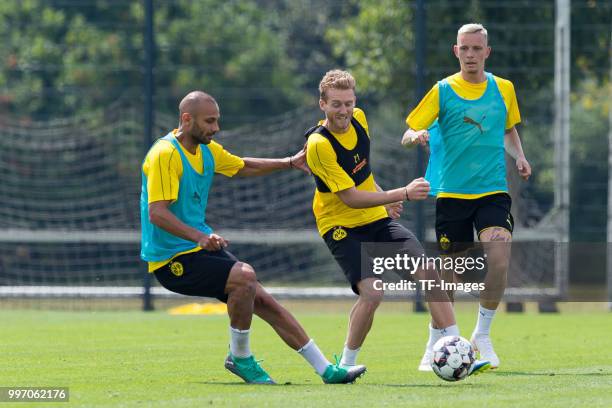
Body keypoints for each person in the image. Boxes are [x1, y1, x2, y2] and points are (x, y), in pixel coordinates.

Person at [140, 91, 366, 384]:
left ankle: (326, 370)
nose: (216, 128)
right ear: (186, 119)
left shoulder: (206, 150)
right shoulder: (165, 154)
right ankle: (240, 357)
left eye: (217, 120)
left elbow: (241, 166)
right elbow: (156, 213)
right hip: (170, 260)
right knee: (245, 277)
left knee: (262, 299)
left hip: (196, 248)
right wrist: (199, 237)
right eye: (209, 121)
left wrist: (288, 162)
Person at [304, 70, 490, 375]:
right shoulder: (319, 145)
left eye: (348, 103)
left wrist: (382, 196)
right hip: (341, 226)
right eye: (336, 104)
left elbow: (362, 175)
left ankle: (461, 352)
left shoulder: (360, 120)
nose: (344, 111)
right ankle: (346, 365)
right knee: (374, 291)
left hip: (375, 217)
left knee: (429, 274)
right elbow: (349, 197)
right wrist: (401, 193)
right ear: (322, 104)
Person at [402, 23, 532, 370]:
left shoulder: (504, 89)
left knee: (499, 256)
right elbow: (410, 129)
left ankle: (482, 335)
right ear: (455, 51)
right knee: (451, 277)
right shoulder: (442, 90)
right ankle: (436, 341)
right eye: (465, 48)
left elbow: (508, 128)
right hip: (452, 194)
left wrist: (519, 155)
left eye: (478, 48)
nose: (471, 54)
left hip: (492, 191)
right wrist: (415, 136)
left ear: (487, 52)